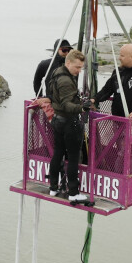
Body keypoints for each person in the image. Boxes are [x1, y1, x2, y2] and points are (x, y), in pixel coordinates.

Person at [48, 50, 90, 202]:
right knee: (73, 158)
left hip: (57, 120)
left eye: (81, 68)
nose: (79, 71)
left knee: (58, 153)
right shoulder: (66, 80)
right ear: (68, 63)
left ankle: (53, 187)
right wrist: (82, 108)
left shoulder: (57, 73)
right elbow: (67, 105)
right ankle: (73, 193)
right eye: (77, 67)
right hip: (68, 122)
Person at [92, 43, 132, 118]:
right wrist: (94, 99)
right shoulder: (118, 71)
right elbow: (107, 90)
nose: (119, 58)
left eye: (122, 56)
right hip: (117, 119)